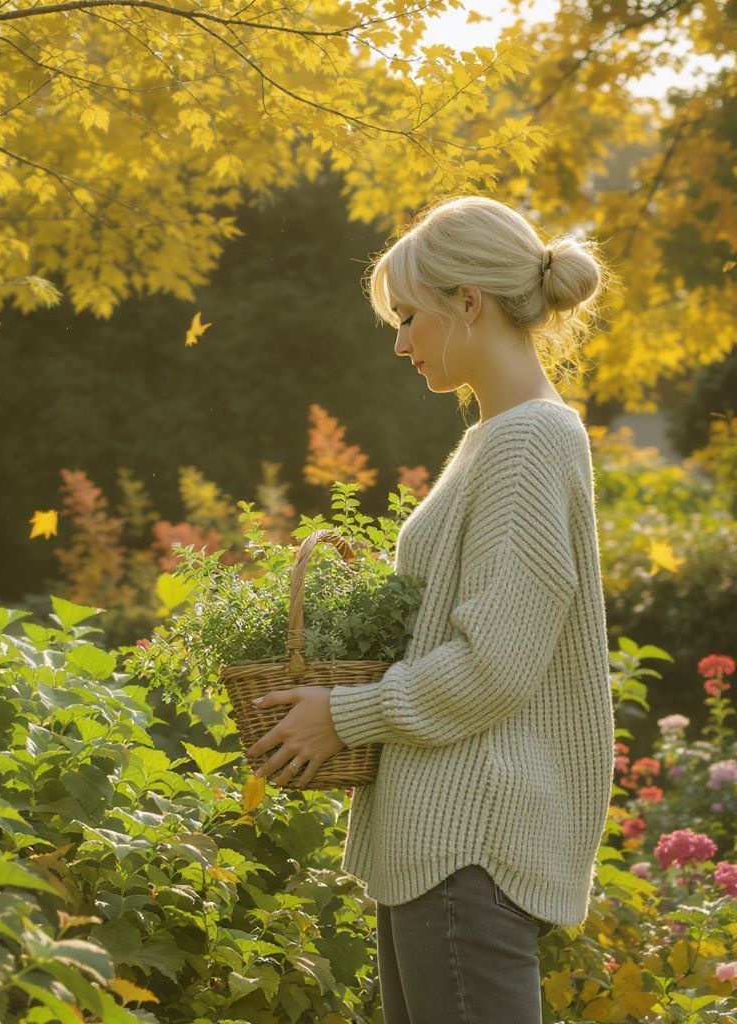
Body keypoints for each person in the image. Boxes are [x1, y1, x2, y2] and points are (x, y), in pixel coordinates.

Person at [244, 194, 618, 1023]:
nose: (401, 341)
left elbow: (495, 665)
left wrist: (345, 714)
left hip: (468, 845)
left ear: (469, 303)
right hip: (441, 843)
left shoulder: (529, 440)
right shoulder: (495, 436)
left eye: (409, 316)